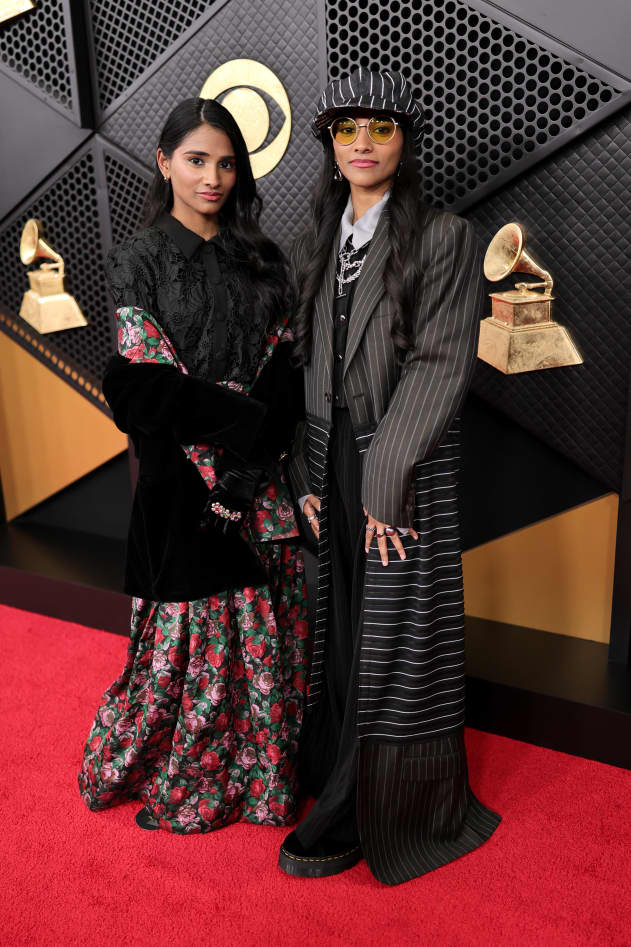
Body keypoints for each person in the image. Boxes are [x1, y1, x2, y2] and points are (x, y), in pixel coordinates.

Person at [279, 67, 501, 884]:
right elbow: (301, 363)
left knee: (396, 632)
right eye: (346, 130)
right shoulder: (314, 238)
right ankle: (335, 772)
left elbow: (439, 365)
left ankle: (377, 806)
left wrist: (384, 481)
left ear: (404, 141)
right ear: (329, 145)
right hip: (326, 452)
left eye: (380, 128)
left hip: (399, 459)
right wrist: (302, 470)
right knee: (337, 620)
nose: (362, 143)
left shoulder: (445, 236)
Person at [78, 98, 308, 834]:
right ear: (164, 161)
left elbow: (285, 379)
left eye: (226, 163)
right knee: (188, 636)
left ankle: (261, 776)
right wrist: (238, 427)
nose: (212, 177)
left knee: (268, 632)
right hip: (177, 478)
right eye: (197, 159)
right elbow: (146, 386)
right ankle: (184, 773)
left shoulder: (264, 259)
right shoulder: (138, 258)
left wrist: (243, 472)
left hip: (258, 481)